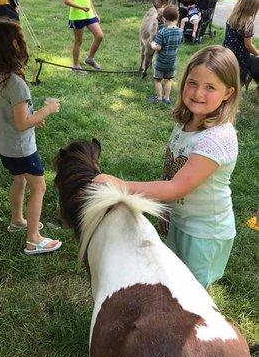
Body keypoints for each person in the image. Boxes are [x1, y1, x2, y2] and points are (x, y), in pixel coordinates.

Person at [94, 45, 241, 290]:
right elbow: (173, 172)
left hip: (204, 233)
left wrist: (121, 186)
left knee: (191, 293)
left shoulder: (217, 138)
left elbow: (176, 186)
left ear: (228, 93)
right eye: (192, 83)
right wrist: (165, 209)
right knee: (174, 283)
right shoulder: (187, 122)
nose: (197, 93)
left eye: (210, 87)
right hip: (182, 220)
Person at [0, 18, 62, 255]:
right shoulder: (16, 84)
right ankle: (33, 239)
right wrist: (46, 111)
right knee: (39, 186)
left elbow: (15, 117)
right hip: (21, 148)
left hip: (5, 146)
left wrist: (34, 118)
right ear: (13, 46)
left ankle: (18, 220)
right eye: (20, 40)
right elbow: (21, 123)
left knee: (20, 180)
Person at [63, 0, 103, 73]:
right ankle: (75, 66)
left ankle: (90, 58)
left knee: (99, 35)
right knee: (78, 41)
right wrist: (80, 7)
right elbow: (66, 1)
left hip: (88, 14)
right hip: (77, 16)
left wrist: (95, 13)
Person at [149, 5, 183, 105]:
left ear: (164, 18)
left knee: (158, 80)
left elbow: (158, 47)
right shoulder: (180, 31)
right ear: (177, 18)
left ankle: (159, 98)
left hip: (161, 62)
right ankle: (167, 98)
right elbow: (181, 41)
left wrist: (152, 43)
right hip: (172, 62)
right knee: (168, 80)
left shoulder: (162, 32)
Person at [223, 0, 259, 86]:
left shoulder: (232, 16)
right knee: (238, 79)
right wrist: (257, 53)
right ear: (253, 8)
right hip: (240, 57)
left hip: (226, 51)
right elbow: (248, 45)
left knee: (226, 74)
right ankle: (234, 95)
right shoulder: (248, 23)